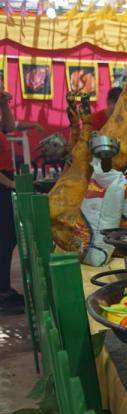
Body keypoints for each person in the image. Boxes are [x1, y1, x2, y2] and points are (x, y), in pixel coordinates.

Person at [0, 89, 41, 315]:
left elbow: (9, 126)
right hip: (3, 183)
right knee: (4, 239)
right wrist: (10, 184)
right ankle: (2, 293)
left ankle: (4, 288)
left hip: (6, 182)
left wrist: (4, 102)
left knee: (8, 238)